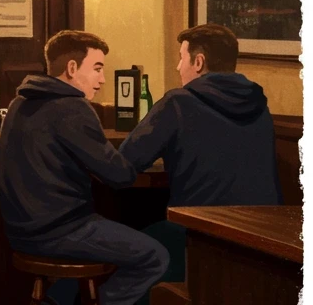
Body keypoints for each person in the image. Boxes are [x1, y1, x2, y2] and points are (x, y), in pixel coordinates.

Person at [0, 30, 168, 305]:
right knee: (154, 255)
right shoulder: (72, 108)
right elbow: (119, 176)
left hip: (21, 231)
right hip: (59, 230)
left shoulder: (21, 101)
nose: (103, 80)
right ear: (72, 68)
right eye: (98, 68)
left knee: (112, 237)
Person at [119, 23, 282, 284]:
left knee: (131, 251)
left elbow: (126, 161)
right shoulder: (259, 105)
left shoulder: (178, 102)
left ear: (198, 62)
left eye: (181, 58)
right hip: (264, 237)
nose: (177, 67)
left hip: (201, 233)